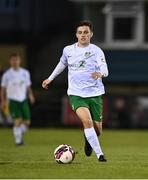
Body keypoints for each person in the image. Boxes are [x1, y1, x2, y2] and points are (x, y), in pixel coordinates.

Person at [42, 21, 108, 162]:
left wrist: (100, 73)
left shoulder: (96, 50)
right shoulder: (68, 50)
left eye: (85, 32)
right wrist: (50, 78)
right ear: (76, 34)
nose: (83, 35)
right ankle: (100, 155)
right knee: (87, 122)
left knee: (98, 131)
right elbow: (62, 64)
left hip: (95, 94)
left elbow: (105, 68)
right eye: (80, 32)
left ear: (91, 34)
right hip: (76, 94)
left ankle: (87, 138)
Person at [1, 53, 35, 145]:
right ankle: (18, 141)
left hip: (23, 100)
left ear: (19, 61)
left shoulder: (25, 73)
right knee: (18, 120)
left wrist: (31, 95)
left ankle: (18, 133)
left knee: (27, 123)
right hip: (12, 100)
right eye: (13, 60)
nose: (15, 62)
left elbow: (28, 86)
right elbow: (3, 89)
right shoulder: (7, 75)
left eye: (16, 60)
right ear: (10, 61)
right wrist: (3, 101)